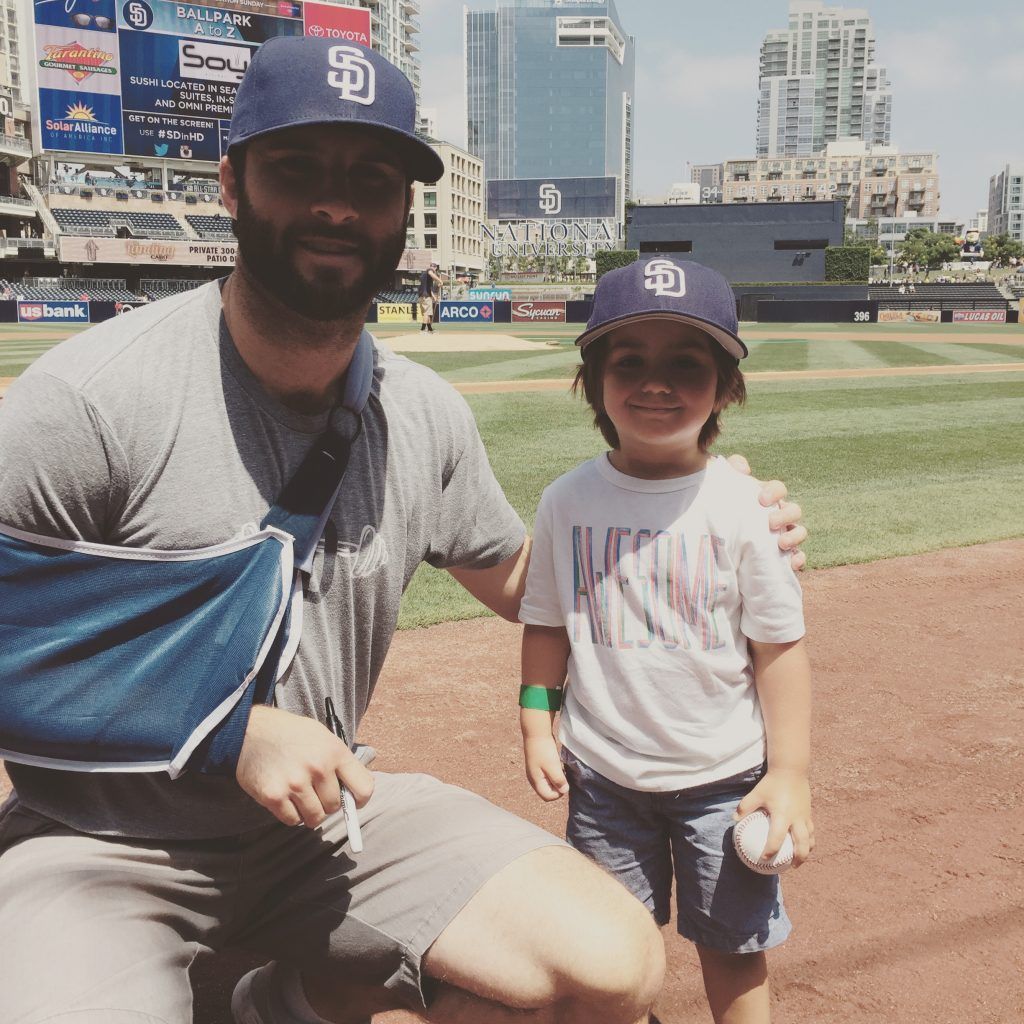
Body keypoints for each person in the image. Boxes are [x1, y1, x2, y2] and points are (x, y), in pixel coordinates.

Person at [0, 40, 806, 1024]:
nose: (337, 206)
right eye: (299, 169)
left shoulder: (419, 413)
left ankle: (289, 1000)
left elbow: (530, 583)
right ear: (230, 183)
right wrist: (224, 732)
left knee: (612, 968)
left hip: (325, 825)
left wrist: (694, 506)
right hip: (100, 839)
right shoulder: (90, 401)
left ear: (400, 214)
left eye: (371, 180)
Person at [517, 259, 814, 1024]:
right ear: (593, 382)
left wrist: (791, 773)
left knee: (734, 948)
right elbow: (546, 620)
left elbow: (779, 649)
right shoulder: (565, 498)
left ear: (726, 386)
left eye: (687, 363)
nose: (656, 383)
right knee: (607, 948)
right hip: (605, 776)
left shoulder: (743, 505)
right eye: (630, 363)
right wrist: (533, 718)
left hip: (723, 779)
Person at [418, 261, 443, 331]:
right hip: (426, 296)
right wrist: (440, 280)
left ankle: (430, 329)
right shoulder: (429, 270)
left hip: (422, 296)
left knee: (426, 314)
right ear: (435, 268)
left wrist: (434, 297)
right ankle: (422, 330)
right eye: (435, 269)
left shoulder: (424, 275)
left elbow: (429, 288)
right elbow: (431, 273)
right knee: (426, 313)